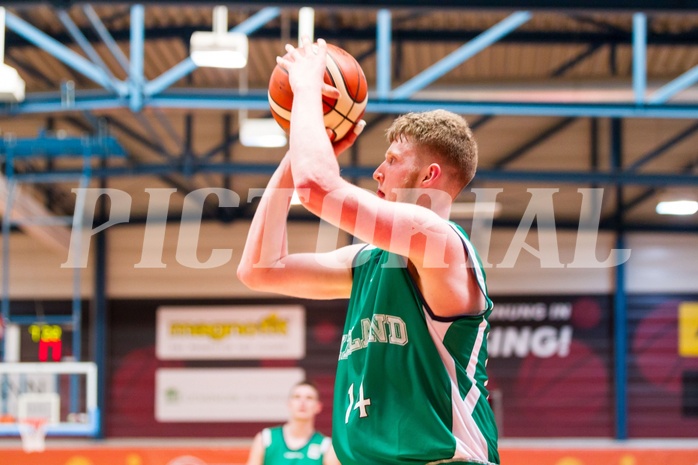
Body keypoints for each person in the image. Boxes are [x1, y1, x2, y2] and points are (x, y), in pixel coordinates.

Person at [238, 36, 499, 465]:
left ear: (429, 175)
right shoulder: (368, 260)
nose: (378, 169)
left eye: (394, 159)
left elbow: (318, 189)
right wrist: (294, 154)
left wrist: (306, 91)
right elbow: (261, 268)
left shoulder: (437, 239)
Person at [246, 380, 340, 465]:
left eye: (309, 398)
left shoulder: (326, 446)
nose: (302, 402)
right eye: (297, 397)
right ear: (289, 404)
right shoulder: (266, 438)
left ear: (318, 406)